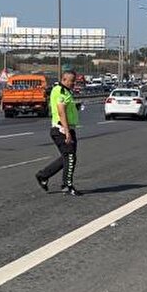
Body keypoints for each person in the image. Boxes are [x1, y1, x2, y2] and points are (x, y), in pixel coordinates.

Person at [35, 66, 82, 196]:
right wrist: (67, 132)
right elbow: (61, 112)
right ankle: (67, 185)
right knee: (70, 157)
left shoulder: (66, 91)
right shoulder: (60, 91)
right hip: (61, 129)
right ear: (64, 79)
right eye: (72, 81)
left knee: (67, 157)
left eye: (75, 81)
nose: (74, 83)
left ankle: (43, 175)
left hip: (67, 128)